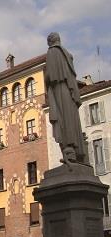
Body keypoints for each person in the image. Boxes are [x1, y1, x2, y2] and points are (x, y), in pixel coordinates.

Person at [45, 32, 86, 164]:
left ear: (50, 41)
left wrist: (46, 79)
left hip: (59, 90)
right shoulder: (66, 54)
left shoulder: (52, 52)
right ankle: (76, 151)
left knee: (62, 119)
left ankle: (69, 151)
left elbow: (51, 76)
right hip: (69, 91)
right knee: (72, 120)